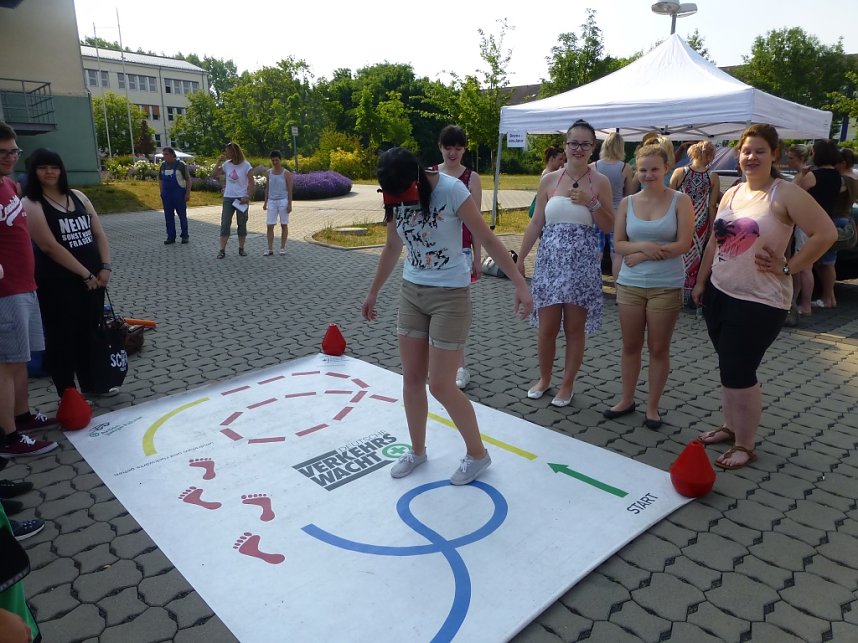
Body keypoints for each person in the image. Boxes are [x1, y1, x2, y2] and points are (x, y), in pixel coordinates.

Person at [361, 147, 532, 485]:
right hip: (412, 292)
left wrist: (520, 283)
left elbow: (487, 237)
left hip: (450, 296)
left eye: (405, 194)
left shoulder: (452, 190)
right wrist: (373, 291)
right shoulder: (396, 193)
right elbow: (393, 246)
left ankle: (478, 454)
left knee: (440, 384)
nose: (401, 202)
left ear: (417, 177)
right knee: (411, 379)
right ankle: (418, 450)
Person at [693, 124, 836, 470]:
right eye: (745, 150)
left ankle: (745, 444)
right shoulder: (732, 193)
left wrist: (789, 267)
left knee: (741, 371)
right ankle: (730, 426)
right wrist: (700, 282)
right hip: (720, 292)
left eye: (759, 150)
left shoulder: (783, 193)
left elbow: (826, 233)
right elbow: (716, 241)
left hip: (759, 301)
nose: (751, 157)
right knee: (728, 367)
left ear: (774, 154)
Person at [516, 119, 614, 407]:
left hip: (581, 266)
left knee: (574, 329)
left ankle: (567, 384)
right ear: (565, 146)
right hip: (549, 265)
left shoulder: (600, 182)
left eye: (585, 144)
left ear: (593, 148)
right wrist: (520, 259)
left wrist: (591, 202)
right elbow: (536, 222)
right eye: (574, 143)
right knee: (546, 329)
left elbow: (609, 226)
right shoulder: (549, 180)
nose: (579, 149)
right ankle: (545, 378)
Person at [604, 144, 694, 428]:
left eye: (654, 169)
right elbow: (618, 243)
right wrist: (642, 246)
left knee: (658, 348)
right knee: (630, 345)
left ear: (666, 168)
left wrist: (641, 254)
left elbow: (683, 244)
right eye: (643, 170)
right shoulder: (629, 203)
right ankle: (626, 399)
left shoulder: (680, 200)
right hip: (630, 285)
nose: (648, 175)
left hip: (666, 284)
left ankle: (652, 407)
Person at [21, 148, 116, 398]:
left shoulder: (78, 196)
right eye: (43, 168)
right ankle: (69, 393)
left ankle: (94, 383)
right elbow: (48, 246)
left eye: (54, 166)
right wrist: (85, 274)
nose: (49, 172)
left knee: (89, 332)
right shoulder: (31, 203)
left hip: (95, 280)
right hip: (59, 283)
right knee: (63, 337)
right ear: (34, 172)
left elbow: (99, 234)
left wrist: (105, 267)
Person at [0, 124, 58, 460]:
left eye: (14, 151)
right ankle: (7, 435)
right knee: (5, 364)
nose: (10, 158)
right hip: (5, 291)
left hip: (25, 285)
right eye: (3, 152)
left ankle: (21, 415)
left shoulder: (9, 184)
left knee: (20, 358)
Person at [430, 125, 482, 389]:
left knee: (457, 312)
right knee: (431, 310)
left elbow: (477, 223)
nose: (452, 153)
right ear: (440, 147)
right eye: (448, 147)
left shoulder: (472, 178)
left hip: (460, 253)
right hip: (433, 253)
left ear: (464, 150)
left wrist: (477, 257)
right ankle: (439, 364)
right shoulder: (430, 174)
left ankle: (460, 366)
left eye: (458, 148)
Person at [669, 140, 719, 305]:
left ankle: (674, 291)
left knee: (677, 254)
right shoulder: (712, 176)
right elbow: (712, 205)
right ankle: (690, 296)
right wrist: (712, 227)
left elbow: (670, 198)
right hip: (700, 221)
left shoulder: (679, 172)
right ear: (710, 156)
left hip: (680, 218)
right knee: (696, 257)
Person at [794, 140, 842, 309]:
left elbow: (794, 193)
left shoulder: (813, 175)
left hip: (808, 224)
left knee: (804, 267)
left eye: (813, 152)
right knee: (813, 265)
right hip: (826, 222)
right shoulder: (837, 176)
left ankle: (805, 305)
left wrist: (801, 174)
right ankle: (806, 302)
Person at [591, 132, 634, 282]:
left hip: (597, 212)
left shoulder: (593, 166)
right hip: (618, 215)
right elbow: (629, 195)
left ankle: (593, 286)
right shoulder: (626, 167)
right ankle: (619, 291)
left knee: (597, 252)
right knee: (617, 254)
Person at [212, 142, 254, 259]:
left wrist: (247, 196)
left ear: (234, 152)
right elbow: (214, 174)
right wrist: (218, 162)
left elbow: (251, 183)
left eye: (227, 151)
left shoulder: (246, 166)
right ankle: (222, 250)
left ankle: (241, 248)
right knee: (225, 223)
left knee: (241, 223)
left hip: (241, 199)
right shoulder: (227, 164)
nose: (225, 153)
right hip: (228, 198)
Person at [262, 150, 293, 256]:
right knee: (270, 225)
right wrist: (265, 202)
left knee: (284, 224)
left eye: (276, 160)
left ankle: (282, 247)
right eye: (273, 160)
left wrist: (290, 204)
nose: (275, 162)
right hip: (272, 201)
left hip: (283, 201)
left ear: (280, 160)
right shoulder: (269, 173)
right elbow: (267, 188)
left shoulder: (286, 173)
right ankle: (270, 249)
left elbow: (289, 190)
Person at [158, 147, 191, 245]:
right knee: (168, 217)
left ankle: (185, 236)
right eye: (163, 154)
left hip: (179, 194)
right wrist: (162, 192)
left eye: (166, 154)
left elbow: (188, 180)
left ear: (172, 155)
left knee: (182, 216)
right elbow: (160, 179)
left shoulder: (181, 165)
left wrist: (187, 193)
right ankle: (171, 237)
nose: (164, 156)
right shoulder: (163, 166)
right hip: (167, 195)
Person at [528, 145, 565, 219]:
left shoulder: (549, 172)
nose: (562, 162)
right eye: (560, 159)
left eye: (563, 160)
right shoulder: (548, 175)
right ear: (551, 159)